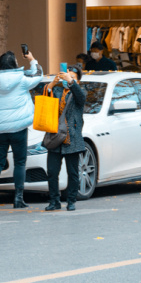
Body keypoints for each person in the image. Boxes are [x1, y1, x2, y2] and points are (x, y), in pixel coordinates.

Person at [0, 49, 41, 210]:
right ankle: (18, 198)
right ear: (14, 64)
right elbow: (38, 75)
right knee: (20, 162)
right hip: (19, 128)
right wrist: (32, 59)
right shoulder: (21, 79)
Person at [43, 64, 87, 212]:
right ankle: (54, 201)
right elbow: (44, 102)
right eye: (67, 76)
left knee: (73, 172)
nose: (68, 79)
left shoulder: (79, 91)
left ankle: (71, 201)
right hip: (55, 136)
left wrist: (71, 83)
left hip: (72, 137)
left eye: (73, 77)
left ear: (78, 81)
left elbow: (81, 99)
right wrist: (52, 84)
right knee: (52, 171)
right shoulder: (57, 90)